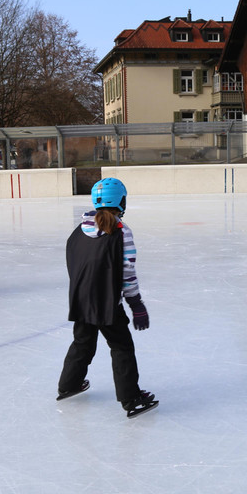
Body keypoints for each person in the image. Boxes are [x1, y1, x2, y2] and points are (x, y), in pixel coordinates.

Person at [57, 177, 157, 418]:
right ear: (121, 201)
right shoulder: (121, 232)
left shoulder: (78, 231)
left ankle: (69, 385)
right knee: (122, 347)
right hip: (107, 304)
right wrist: (136, 304)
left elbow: (73, 265)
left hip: (80, 301)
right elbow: (127, 273)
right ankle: (131, 399)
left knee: (82, 343)